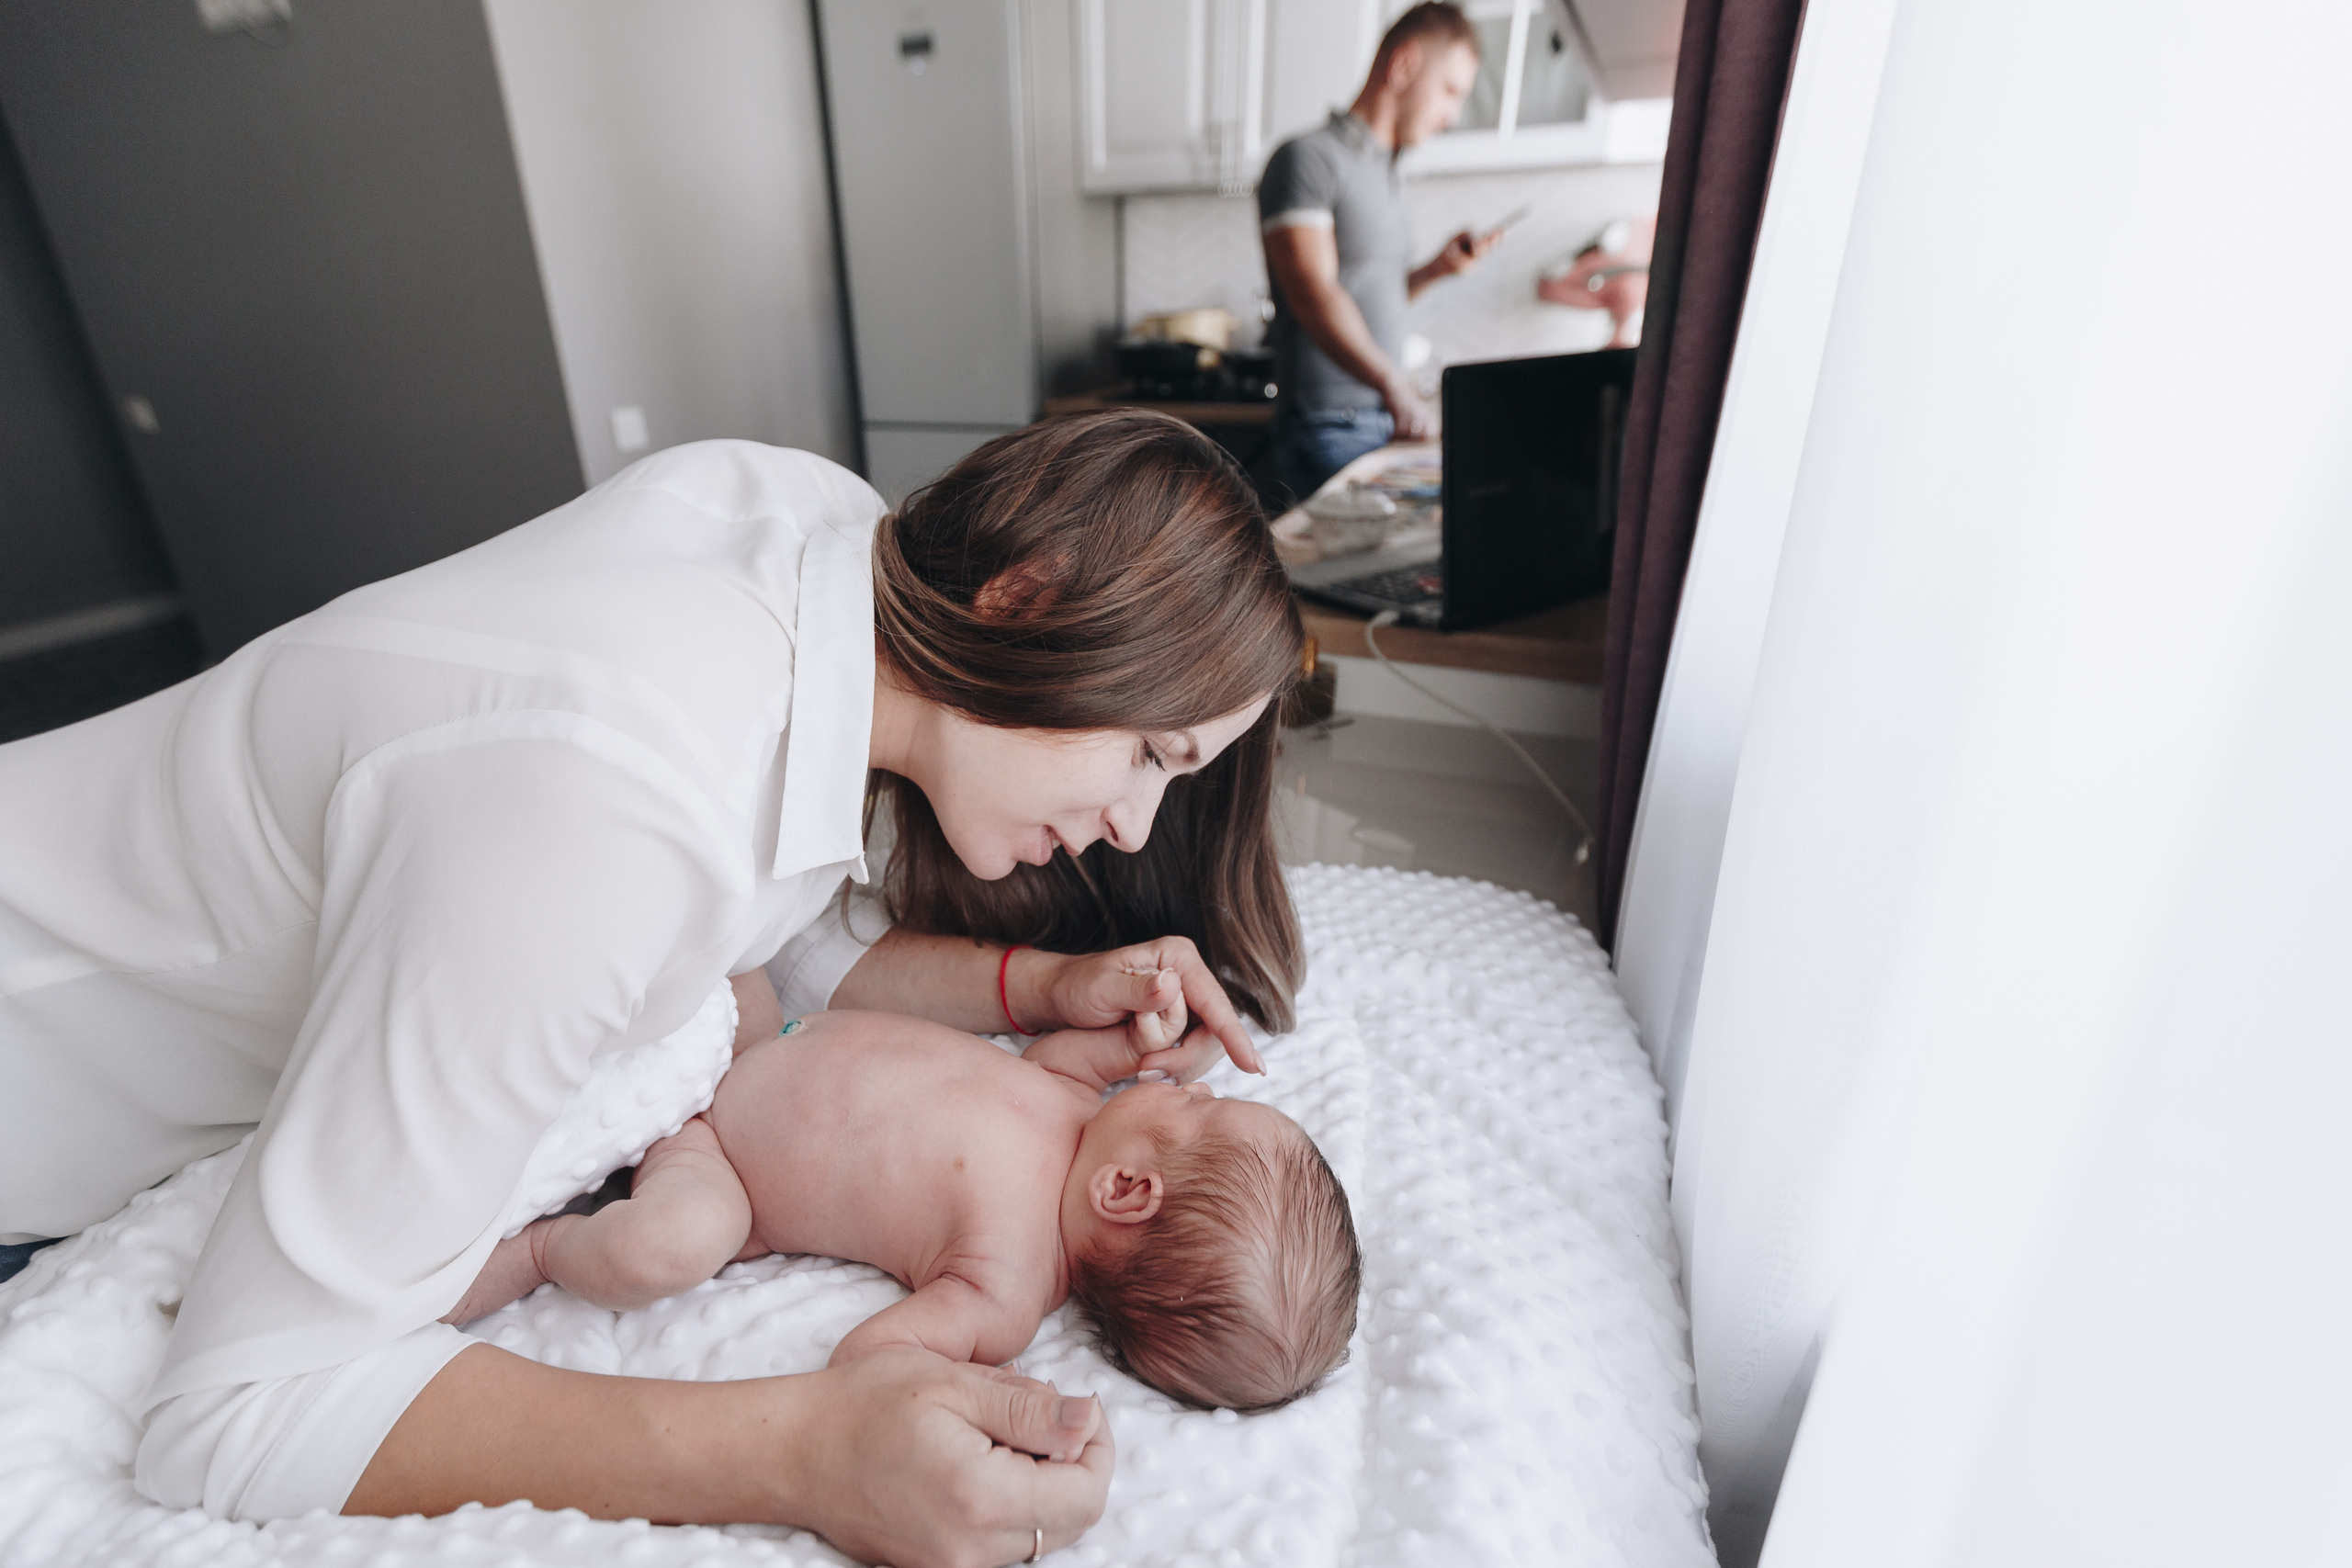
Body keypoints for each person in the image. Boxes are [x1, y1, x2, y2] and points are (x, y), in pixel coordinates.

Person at [0, 409, 1305, 1567]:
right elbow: (233, 1416)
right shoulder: (597, 807)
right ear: (1024, 599)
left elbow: (747, 913)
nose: (1139, 827)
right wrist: (803, 1450)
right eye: (1152, 752)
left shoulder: (820, 529)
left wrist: (1041, 983)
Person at [443, 998, 1363, 1416]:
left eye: (1196, 1109)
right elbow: (1070, 1051)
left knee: (667, 1248)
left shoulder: (1005, 1291)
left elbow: (870, 1359)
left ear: (1124, 1192)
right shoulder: (1081, 1105)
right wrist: (1139, 1037)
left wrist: (972, 1394)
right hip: (761, 1027)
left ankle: (534, 1252)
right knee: (725, 930)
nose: (1177, 1087)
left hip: (718, 1155)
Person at [1259, 1, 1496, 503]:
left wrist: (1435, 270)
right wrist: (1396, 385)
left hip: (1379, 420)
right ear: (1404, 65)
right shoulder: (1308, 159)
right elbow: (1315, 295)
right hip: (1327, 426)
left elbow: (1369, 294)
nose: (1452, 116)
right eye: (1449, 91)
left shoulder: (1388, 171)